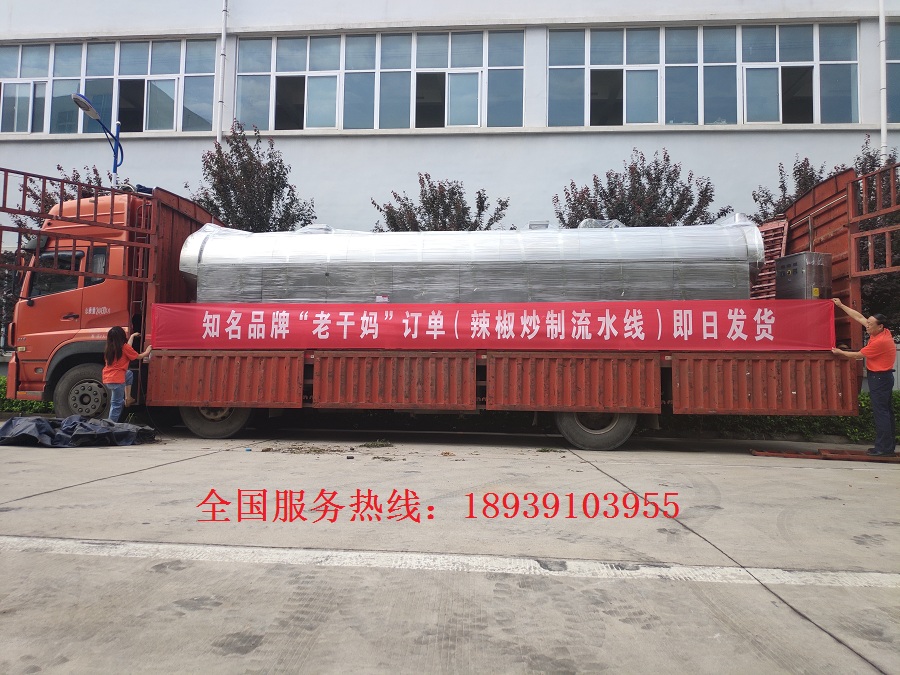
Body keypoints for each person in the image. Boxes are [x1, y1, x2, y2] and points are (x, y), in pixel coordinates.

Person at [831, 298, 896, 456]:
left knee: (881, 413)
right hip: (883, 378)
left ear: (880, 326)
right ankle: (887, 447)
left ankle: (883, 449)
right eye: (868, 323)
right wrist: (840, 305)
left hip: (880, 378)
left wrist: (839, 352)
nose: (867, 325)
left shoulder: (880, 341)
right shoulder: (881, 332)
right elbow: (859, 317)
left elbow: (858, 355)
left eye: (870, 324)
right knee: (885, 412)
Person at [102, 326, 152, 423]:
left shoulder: (109, 348)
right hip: (118, 380)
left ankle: (128, 398)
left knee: (129, 374)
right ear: (122, 336)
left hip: (108, 378)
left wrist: (132, 336)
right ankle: (110, 426)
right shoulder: (124, 348)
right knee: (116, 405)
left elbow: (128, 347)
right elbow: (139, 356)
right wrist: (147, 351)